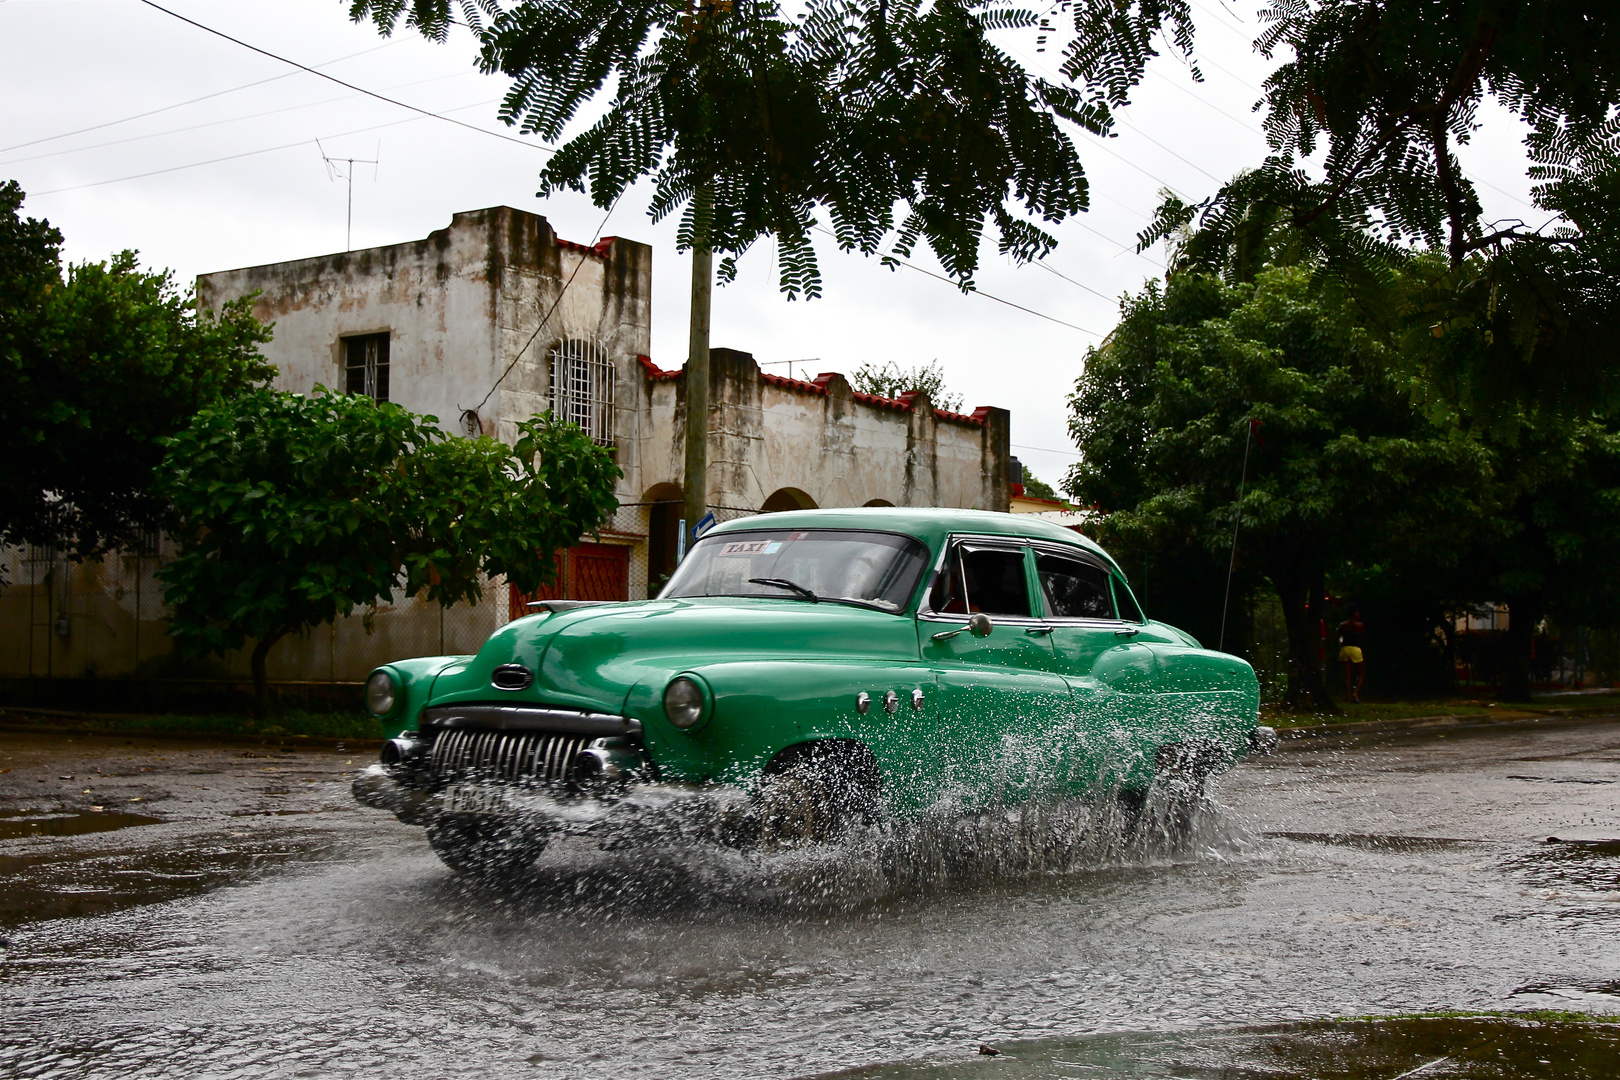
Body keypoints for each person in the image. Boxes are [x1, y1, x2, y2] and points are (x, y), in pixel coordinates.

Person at [1338, 605, 1366, 703]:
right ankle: (1356, 693)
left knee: (1347, 674)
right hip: (1355, 649)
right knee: (1361, 672)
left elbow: (1338, 636)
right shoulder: (1360, 625)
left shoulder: (1342, 625)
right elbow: (1361, 636)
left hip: (1345, 649)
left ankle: (1347, 695)